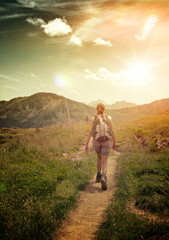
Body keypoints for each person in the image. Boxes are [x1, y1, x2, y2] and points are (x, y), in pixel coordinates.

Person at [85, 103, 117, 190]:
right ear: (104, 109)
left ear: (97, 109)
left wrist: (87, 143)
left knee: (99, 158)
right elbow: (112, 131)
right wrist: (114, 142)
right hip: (106, 141)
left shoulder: (94, 118)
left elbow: (91, 131)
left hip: (96, 141)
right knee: (104, 160)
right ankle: (104, 176)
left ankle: (98, 175)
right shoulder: (108, 118)